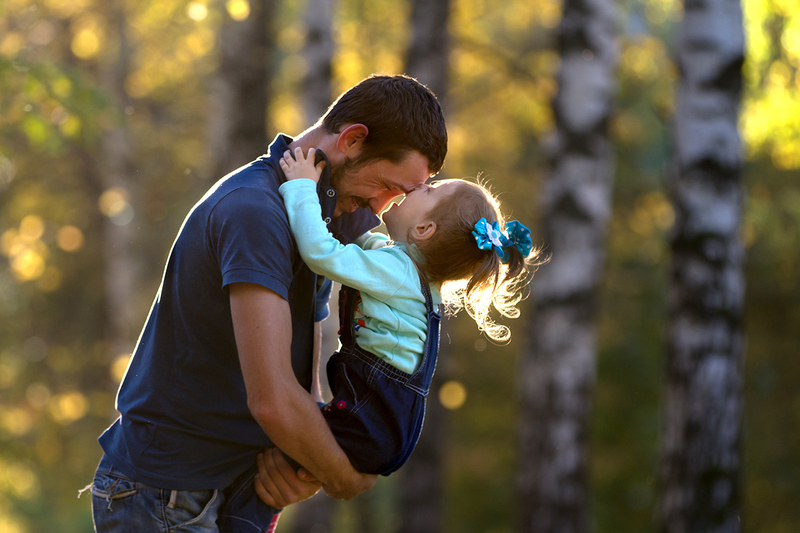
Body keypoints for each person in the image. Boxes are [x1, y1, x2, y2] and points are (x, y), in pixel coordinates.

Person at [86, 74, 447, 533]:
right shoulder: (254, 211)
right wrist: (341, 476)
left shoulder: (328, 212)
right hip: (165, 495)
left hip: (240, 490)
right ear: (353, 139)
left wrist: (304, 468)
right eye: (389, 186)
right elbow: (274, 400)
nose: (382, 208)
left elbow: (304, 381)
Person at [240, 146, 535, 519]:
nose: (417, 188)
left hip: (371, 417)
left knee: (260, 452)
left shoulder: (397, 273)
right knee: (285, 461)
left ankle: (242, 520)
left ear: (424, 229)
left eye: (429, 191)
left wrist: (301, 187)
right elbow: (360, 243)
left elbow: (321, 251)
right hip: (384, 422)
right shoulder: (409, 271)